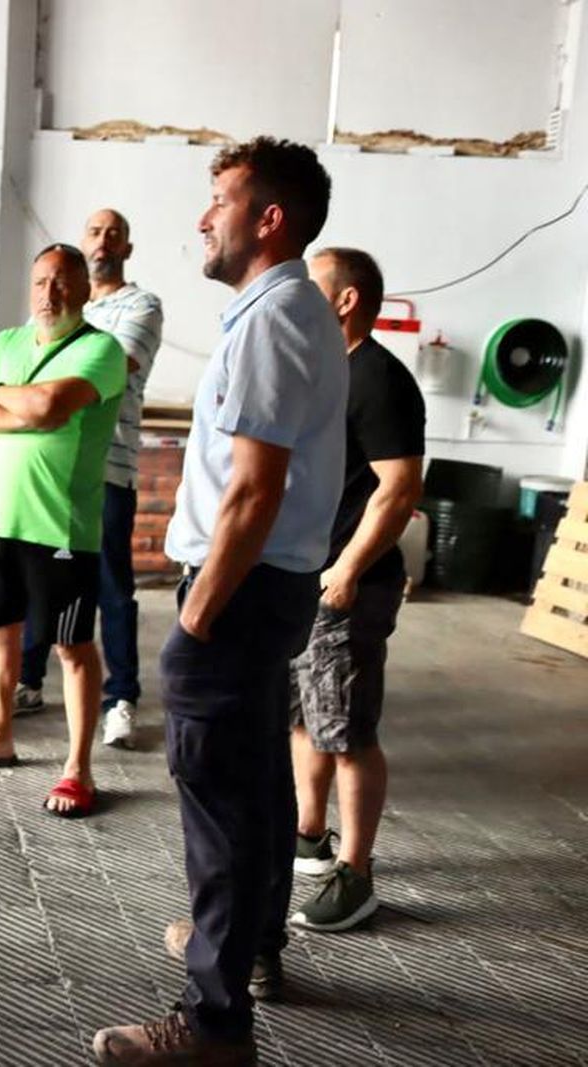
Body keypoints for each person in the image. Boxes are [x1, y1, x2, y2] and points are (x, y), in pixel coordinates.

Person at [93, 137, 345, 1066]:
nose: (203, 218)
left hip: (238, 593)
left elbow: (253, 489)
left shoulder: (276, 318)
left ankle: (213, 1022)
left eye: (220, 200)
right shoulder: (284, 312)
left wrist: (198, 616)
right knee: (258, 785)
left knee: (222, 804)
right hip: (264, 588)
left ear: (269, 219)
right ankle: (244, 943)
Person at [0, 244, 126, 821]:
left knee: (71, 647)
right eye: (41, 281)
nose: (50, 293)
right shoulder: (7, 342)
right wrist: (20, 408)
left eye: (63, 282)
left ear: (85, 290)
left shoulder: (101, 349)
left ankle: (78, 769)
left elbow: (48, 404)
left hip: (61, 527)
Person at [288, 247, 424, 932]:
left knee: (346, 731)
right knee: (304, 717)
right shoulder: (326, 372)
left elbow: (399, 489)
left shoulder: (378, 378)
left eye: (313, 285)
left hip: (350, 584)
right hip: (303, 576)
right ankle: (309, 835)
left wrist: (346, 570)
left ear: (345, 300)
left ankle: (357, 873)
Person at [18, 210, 164, 748]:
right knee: (37, 578)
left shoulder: (141, 306)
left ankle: (120, 698)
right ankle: (29, 681)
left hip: (107, 467)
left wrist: (41, 391)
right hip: (46, 465)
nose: (103, 242)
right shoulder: (52, 304)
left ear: (127, 248)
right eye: (95, 233)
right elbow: (20, 370)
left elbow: (107, 368)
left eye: (114, 234)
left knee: (110, 587)